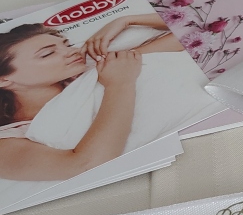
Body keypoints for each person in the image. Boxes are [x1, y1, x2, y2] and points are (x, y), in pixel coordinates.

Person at [0, 13, 185, 182]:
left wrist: (126, 20)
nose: (72, 51)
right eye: (47, 54)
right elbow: (87, 165)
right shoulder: (7, 142)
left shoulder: (91, 68)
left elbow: (189, 33)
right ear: (4, 79)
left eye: (67, 45)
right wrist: (119, 85)